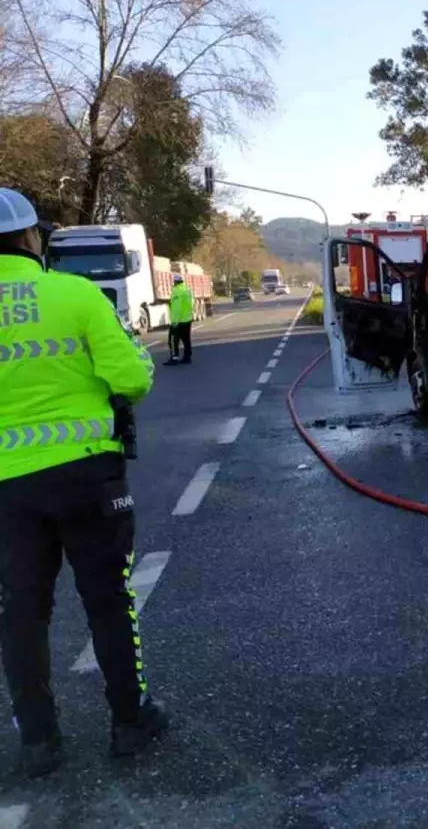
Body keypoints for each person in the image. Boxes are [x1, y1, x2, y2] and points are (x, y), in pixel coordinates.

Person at [0, 188, 168, 779]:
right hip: (87, 475)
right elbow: (131, 377)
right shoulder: (74, 293)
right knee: (108, 600)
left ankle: (39, 742)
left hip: (5, 491)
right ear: (30, 238)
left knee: (20, 612)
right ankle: (130, 721)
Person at [165, 274, 193, 365]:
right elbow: (191, 303)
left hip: (179, 320)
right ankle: (187, 357)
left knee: (173, 339)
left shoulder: (177, 291)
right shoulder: (187, 289)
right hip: (187, 319)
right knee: (186, 339)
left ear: (175, 282)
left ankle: (174, 358)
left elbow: (177, 308)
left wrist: (175, 322)